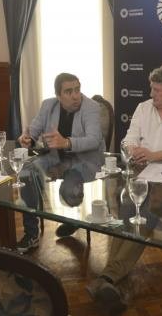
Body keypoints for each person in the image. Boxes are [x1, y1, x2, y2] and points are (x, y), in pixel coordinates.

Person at [87, 63, 162, 312]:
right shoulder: (143, 108)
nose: (151, 94)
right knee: (128, 209)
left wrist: (152, 155)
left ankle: (109, 276)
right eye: (152, 89)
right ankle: (111, 277)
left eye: (157, 90)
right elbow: (129, 138)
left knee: (147, 214)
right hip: (142, 171)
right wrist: (132, 150)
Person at [16, 73, 104, 251]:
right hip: (55, 158)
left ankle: (75, 220)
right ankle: (31, 233)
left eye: (77, 90)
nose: (75, 95)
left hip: (84, 161)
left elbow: (94, 140)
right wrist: (27, 138)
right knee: (26, 172)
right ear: (58, 95)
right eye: (69, 92)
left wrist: (66, 143)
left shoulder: (91, 107)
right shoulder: (48, 105)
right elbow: (32, 132)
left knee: (69, 189)